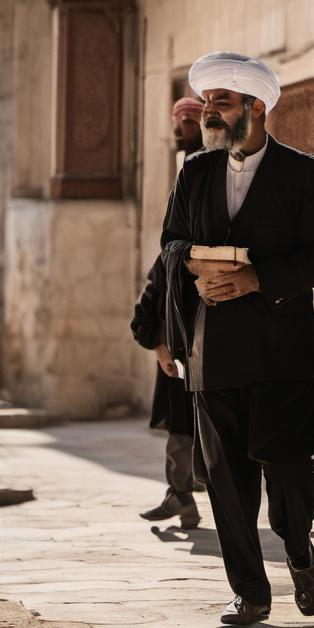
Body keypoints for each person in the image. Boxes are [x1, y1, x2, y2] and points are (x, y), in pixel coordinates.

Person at [155, 51, 314, 625]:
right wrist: (196, 267)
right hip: (215, 354)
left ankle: (299, 550)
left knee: (287, 473)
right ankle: (251, 593)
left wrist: (258, 278)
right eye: (207, 102)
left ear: (256, 108)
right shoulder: (195, 173)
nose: (209, 111)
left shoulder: (302, 173)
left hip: (284, 354)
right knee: (228, 485)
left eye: (222, 102)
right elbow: (170, 243)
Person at [131, 97, 205, 528]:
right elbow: (148, 304)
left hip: (221, 354)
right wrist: (160, 343)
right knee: (182, 431)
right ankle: (181, 497)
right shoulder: (170, 257)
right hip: (179, 355)